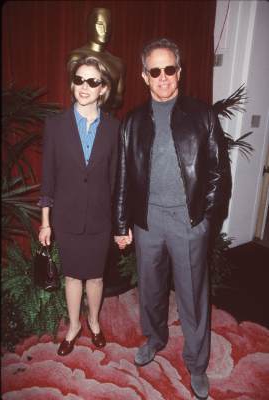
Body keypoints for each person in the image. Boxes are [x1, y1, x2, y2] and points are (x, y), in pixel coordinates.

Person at [114, 38, 231, 400]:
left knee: (193, 297)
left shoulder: (202, 116)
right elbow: (122, 177)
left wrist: (206, 221)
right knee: (150, 290)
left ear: (179, 72)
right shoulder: (132, 122)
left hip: (187, 221)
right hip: (147, 222)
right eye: (155, 71)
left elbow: (218, 176)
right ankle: (155, 338)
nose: (163, 77)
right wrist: (121, 223)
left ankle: (196, 364)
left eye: (169, 69)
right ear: (144, 76)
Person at [39, 55, 119, 356]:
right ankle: (74, 326)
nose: (84, 86)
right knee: (72, 276)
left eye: (92, 81)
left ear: (103, 89)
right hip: (67, 216)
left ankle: (94, 322)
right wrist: (45, 222)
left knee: (96, 276)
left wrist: (118, 222)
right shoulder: (56, 125)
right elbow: (48, 177)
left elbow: (115, 180)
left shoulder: (114, 129)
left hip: (99, 217)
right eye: (79, 79)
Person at [68, 7, 125, 111]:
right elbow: (76, 93)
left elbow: (118, 98)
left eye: (108, 25)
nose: (105, 30)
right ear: (90, 26)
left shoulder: (117, 62)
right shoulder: (78, 57)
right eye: (100, 25)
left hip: (108, 120)